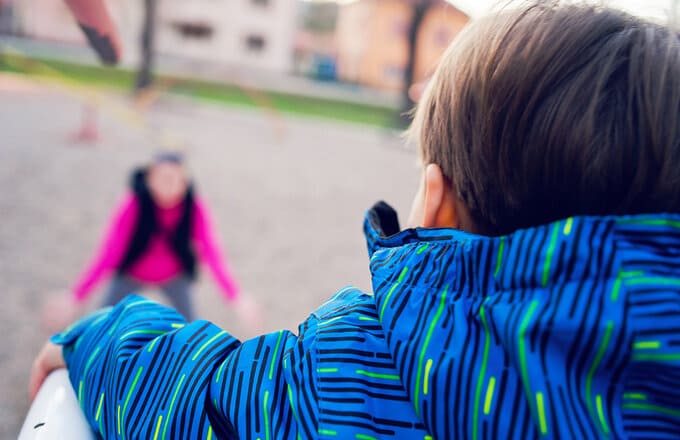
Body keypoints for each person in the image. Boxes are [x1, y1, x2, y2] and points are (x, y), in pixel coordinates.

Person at [30, 3, 680, 438]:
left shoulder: (373, 371)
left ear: (437, 207)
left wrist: (96, 336)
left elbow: (203, 396)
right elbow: (117, 252)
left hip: (164, 294)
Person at [46, 153, 244, 325]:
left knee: (193, 330)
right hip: (131, 273)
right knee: (101, 324)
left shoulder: (194, 208)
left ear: (185, 183)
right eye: (163, 178)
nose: (169, 185)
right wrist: (75, 296)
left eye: (175, 179)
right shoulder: (133, 204)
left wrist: (236, 297)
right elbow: (109, 254)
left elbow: (211, 253)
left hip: (174, 276)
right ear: (149, 179)